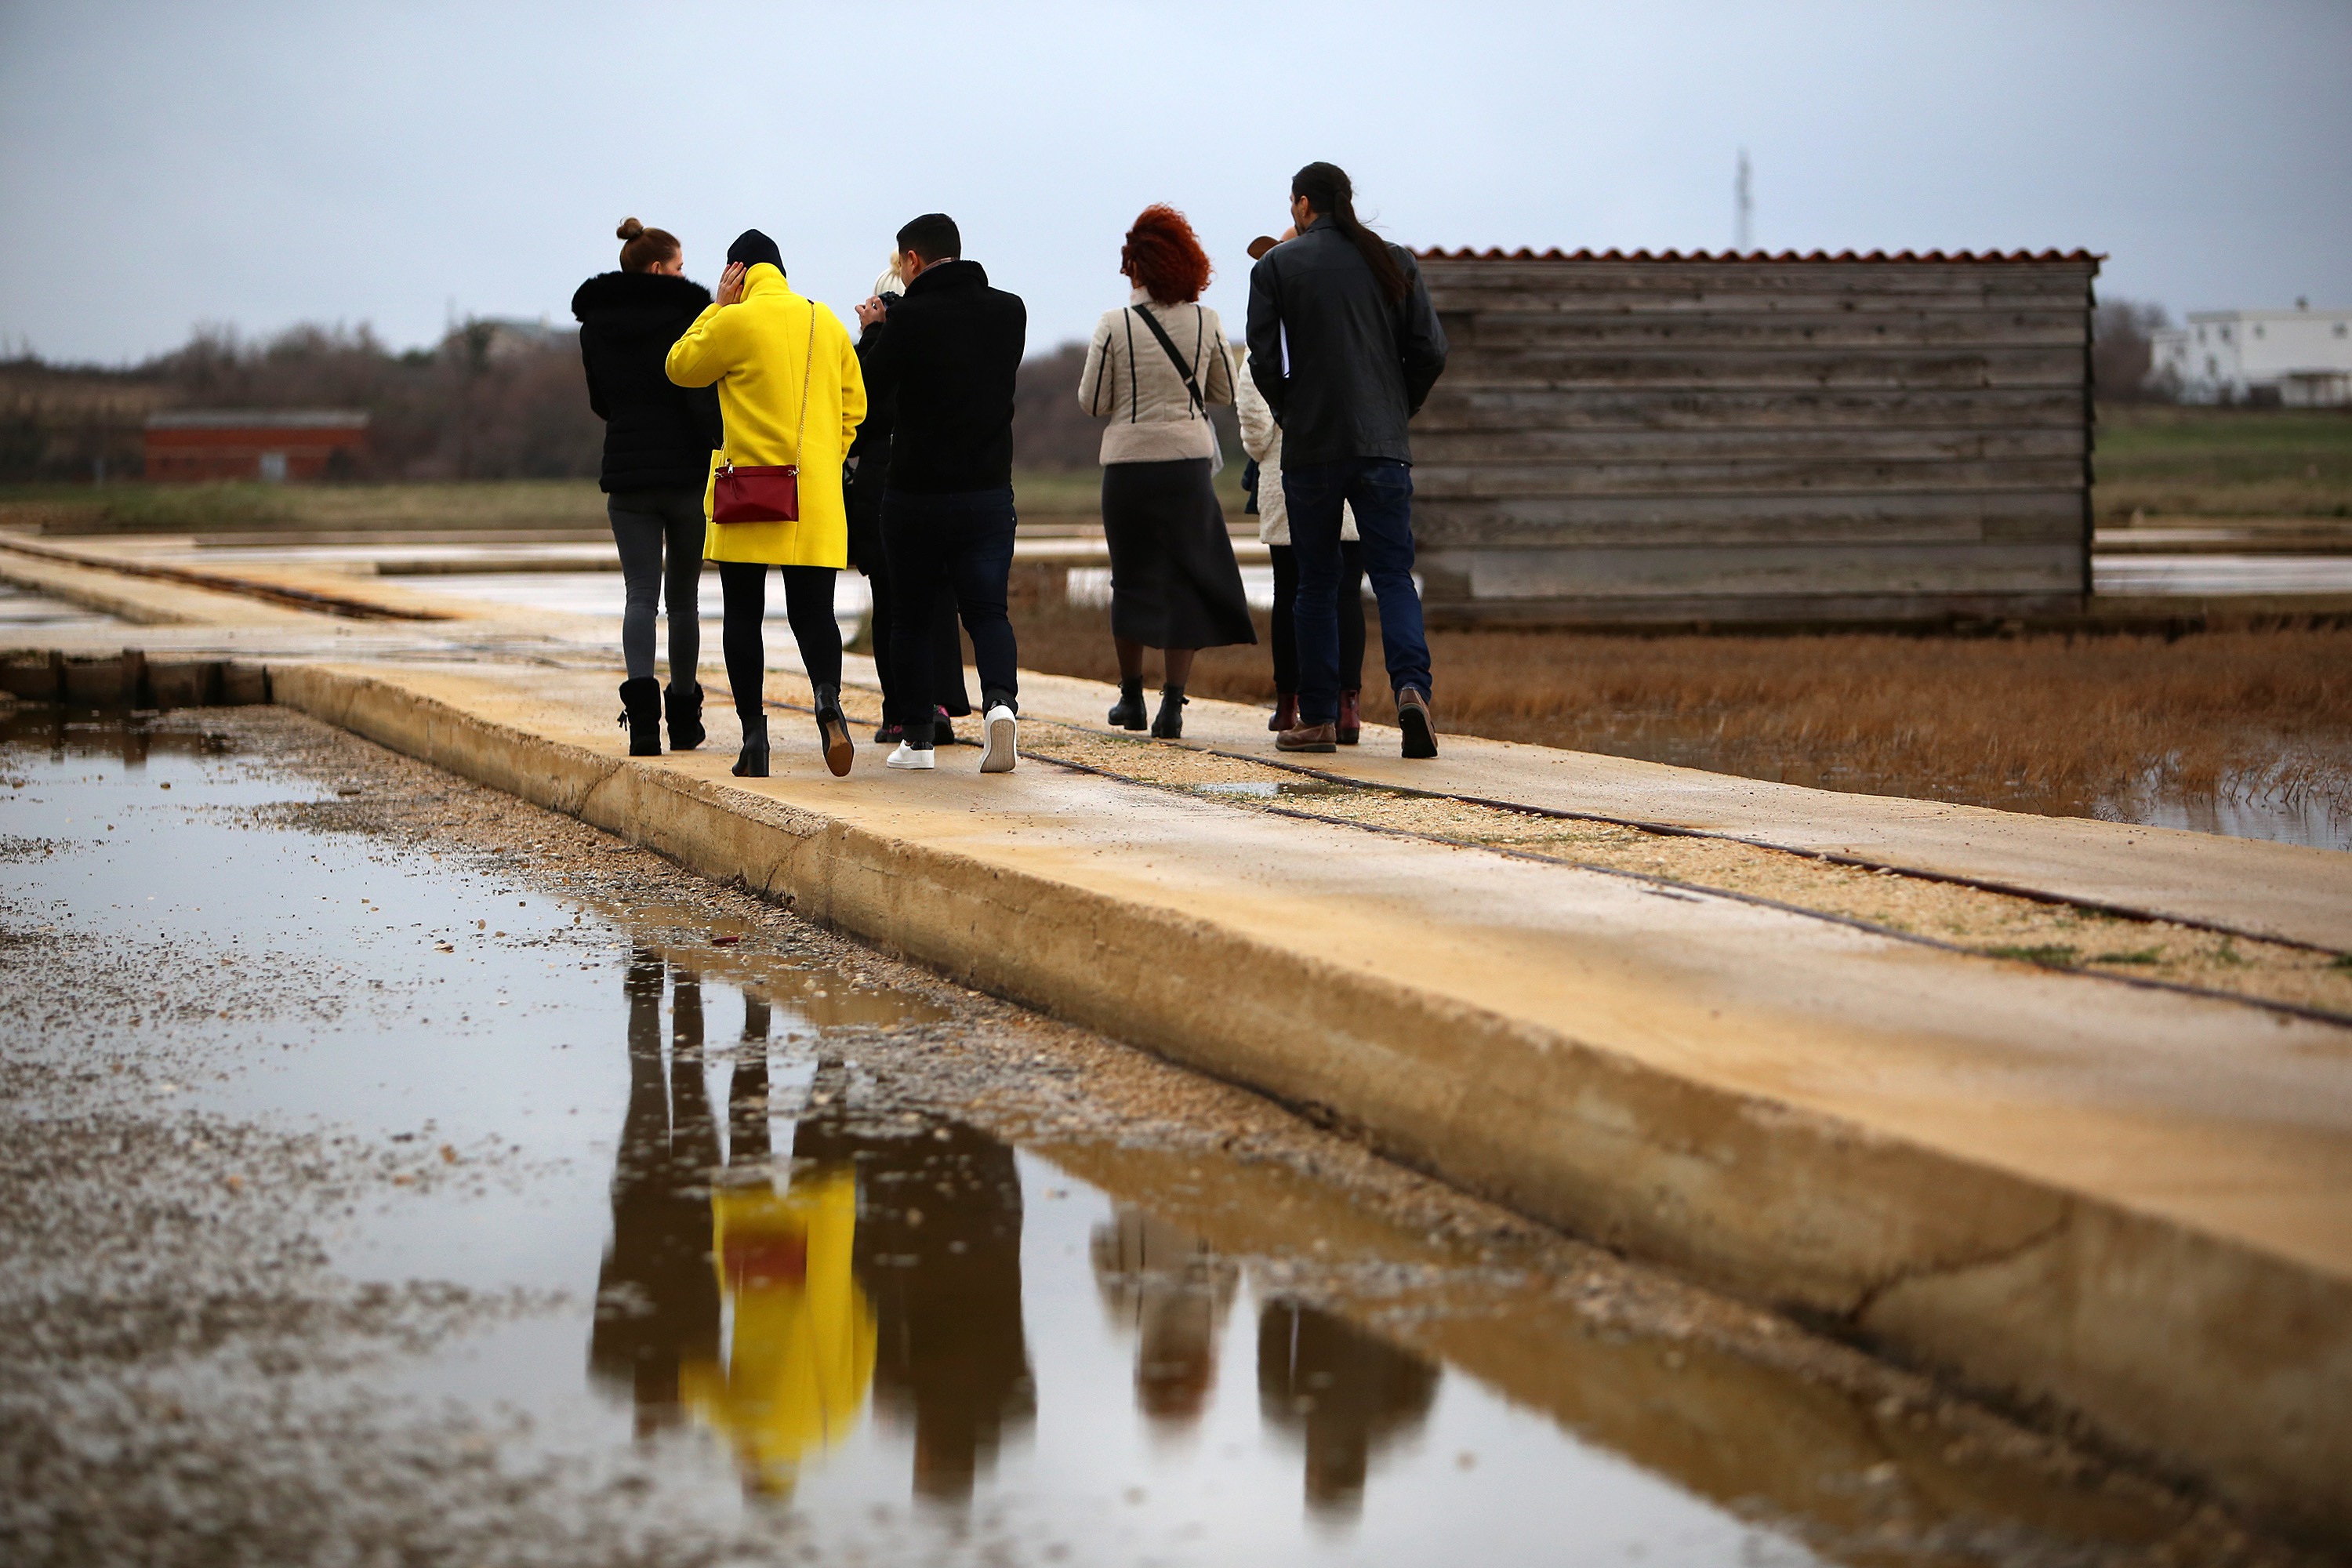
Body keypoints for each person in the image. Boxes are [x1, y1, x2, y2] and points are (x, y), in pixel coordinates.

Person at [1246, 162, 1449, 757]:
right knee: (1391, 577)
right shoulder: (1394, 260)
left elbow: (1261, 360)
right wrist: (1395, 409)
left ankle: (1317, 718)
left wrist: (1292, 414)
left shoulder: (1277, 266)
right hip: (1383, 445)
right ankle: (1413, 689)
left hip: (1312, 448)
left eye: (1291, 204)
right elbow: (1431, 350)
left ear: (1305, 204)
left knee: (1316, 583)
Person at [666, 229, 866, 779]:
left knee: (743, 615)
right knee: (814, 614)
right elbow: (856, 407)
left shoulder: (733, 320)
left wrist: (714, 309)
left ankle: (755, 740)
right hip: (814, 497)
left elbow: (680, 366)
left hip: (747, 493)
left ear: (737, 272)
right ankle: (827, 703)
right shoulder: (824, 321)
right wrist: (827, 456)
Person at [1076, 205, 1255, 740]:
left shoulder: (1115, 324)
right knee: (1185, 581)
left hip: (1129, 467)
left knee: (1130, 580)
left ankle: (1129, 699)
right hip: (1187, 467)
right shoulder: (1207, 321)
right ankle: (1172, 707)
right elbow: (1223, 392)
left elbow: (1092, 401)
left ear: (1137, 267)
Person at [858, 212, 1027, 774]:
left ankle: (919, 740)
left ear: (912, 261)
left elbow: (871, 393)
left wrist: (879, 330)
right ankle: (1000, 707)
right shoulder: (1010, 311)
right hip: (986, 492)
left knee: (910, 617)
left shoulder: (910, 319)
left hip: (915, 495)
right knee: (987, 612)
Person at [573, 218, 723, 757]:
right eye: (680, 266)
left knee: (640, 596)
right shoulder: (690, 316)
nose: (686, 274)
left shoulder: (595, 324)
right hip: (684, 473)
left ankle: (642, 727)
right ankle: (684, 720)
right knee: (683, 601)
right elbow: (701, 396)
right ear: (659, 269)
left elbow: (600, 402)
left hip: (629, 474)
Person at [1235, 232, 1368, 742]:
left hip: (1286, 475)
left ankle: (1290, 705)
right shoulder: (1345, 332)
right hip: (1348, 474)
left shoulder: (1265, 342)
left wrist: (1270, 441)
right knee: (1344, 596)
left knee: (1293, 592)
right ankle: (1347, 705)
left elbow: (1253, 420)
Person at [847, 260, 972, 749]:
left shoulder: (880, 350)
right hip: (943, 485)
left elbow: (858, 412)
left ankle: (900, 711)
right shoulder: (945, 342)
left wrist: (870, 338)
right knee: (939, 599)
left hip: (883, 490)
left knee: (892, 610)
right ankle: (938, 702)